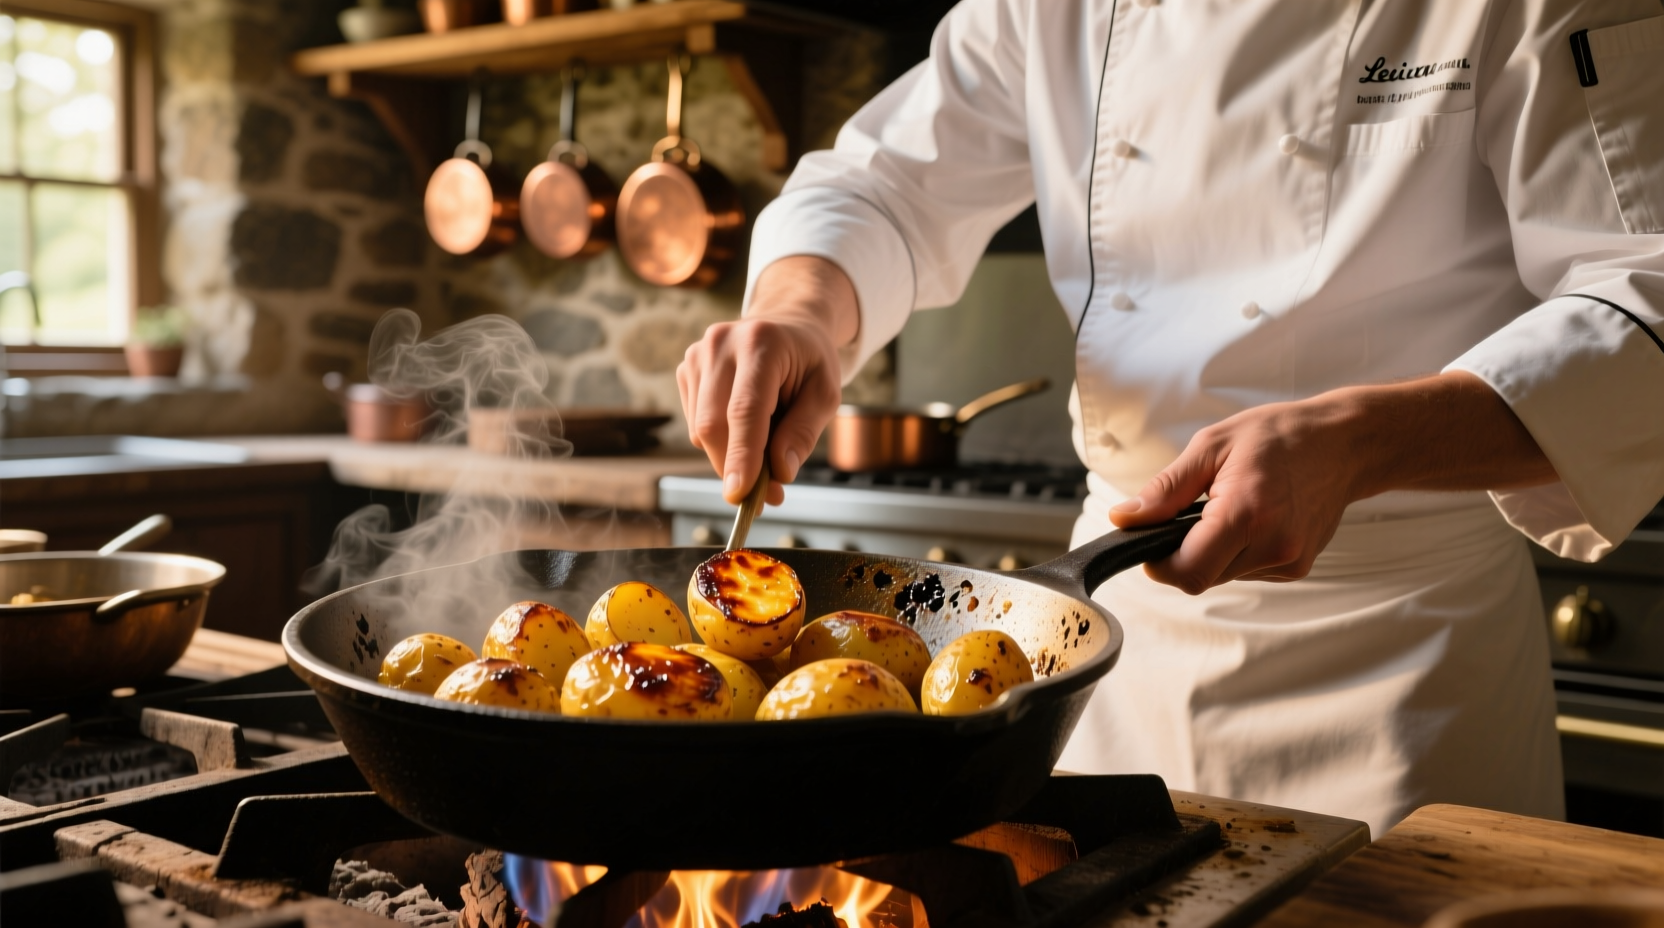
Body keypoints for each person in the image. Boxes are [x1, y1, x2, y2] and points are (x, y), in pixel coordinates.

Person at [677, 0, 1664, 836]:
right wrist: (798, 311)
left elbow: (1644, 291)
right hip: (1109, 648)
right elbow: (883, 186)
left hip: (1401, 661)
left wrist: (1365, 441)